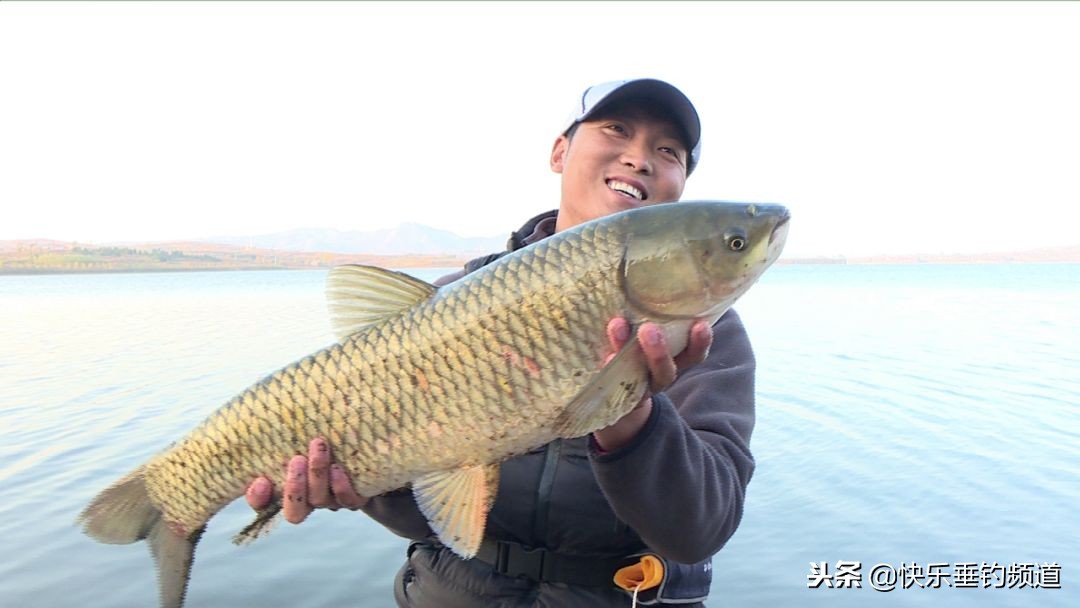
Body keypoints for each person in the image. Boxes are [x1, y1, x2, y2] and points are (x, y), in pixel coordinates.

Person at [246, 79, 757, 607]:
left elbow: (700, 530)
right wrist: (364, 487)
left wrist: (630, 416)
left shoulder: (706, 337)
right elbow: (427, 512)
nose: (639, 158)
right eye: (616, 129)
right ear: (560, 152)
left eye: (667, 151)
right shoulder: (454, 304)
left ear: (680, 187)